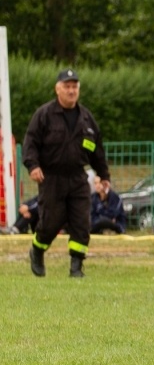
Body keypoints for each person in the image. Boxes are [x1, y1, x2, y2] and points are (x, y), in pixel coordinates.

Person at [22, 68, 111, 278]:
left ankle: (76, 267)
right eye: (67, 87)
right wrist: (32, 166)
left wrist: (104, 175)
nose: (71, 91)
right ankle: (37, 250)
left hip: (78, 178)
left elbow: (97, 151)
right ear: (57, 89)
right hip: (51, 178)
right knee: (51, 222)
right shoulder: (44, 115)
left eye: (74, 87)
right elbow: (30, 143)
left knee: (81, 222)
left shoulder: (87, 119)